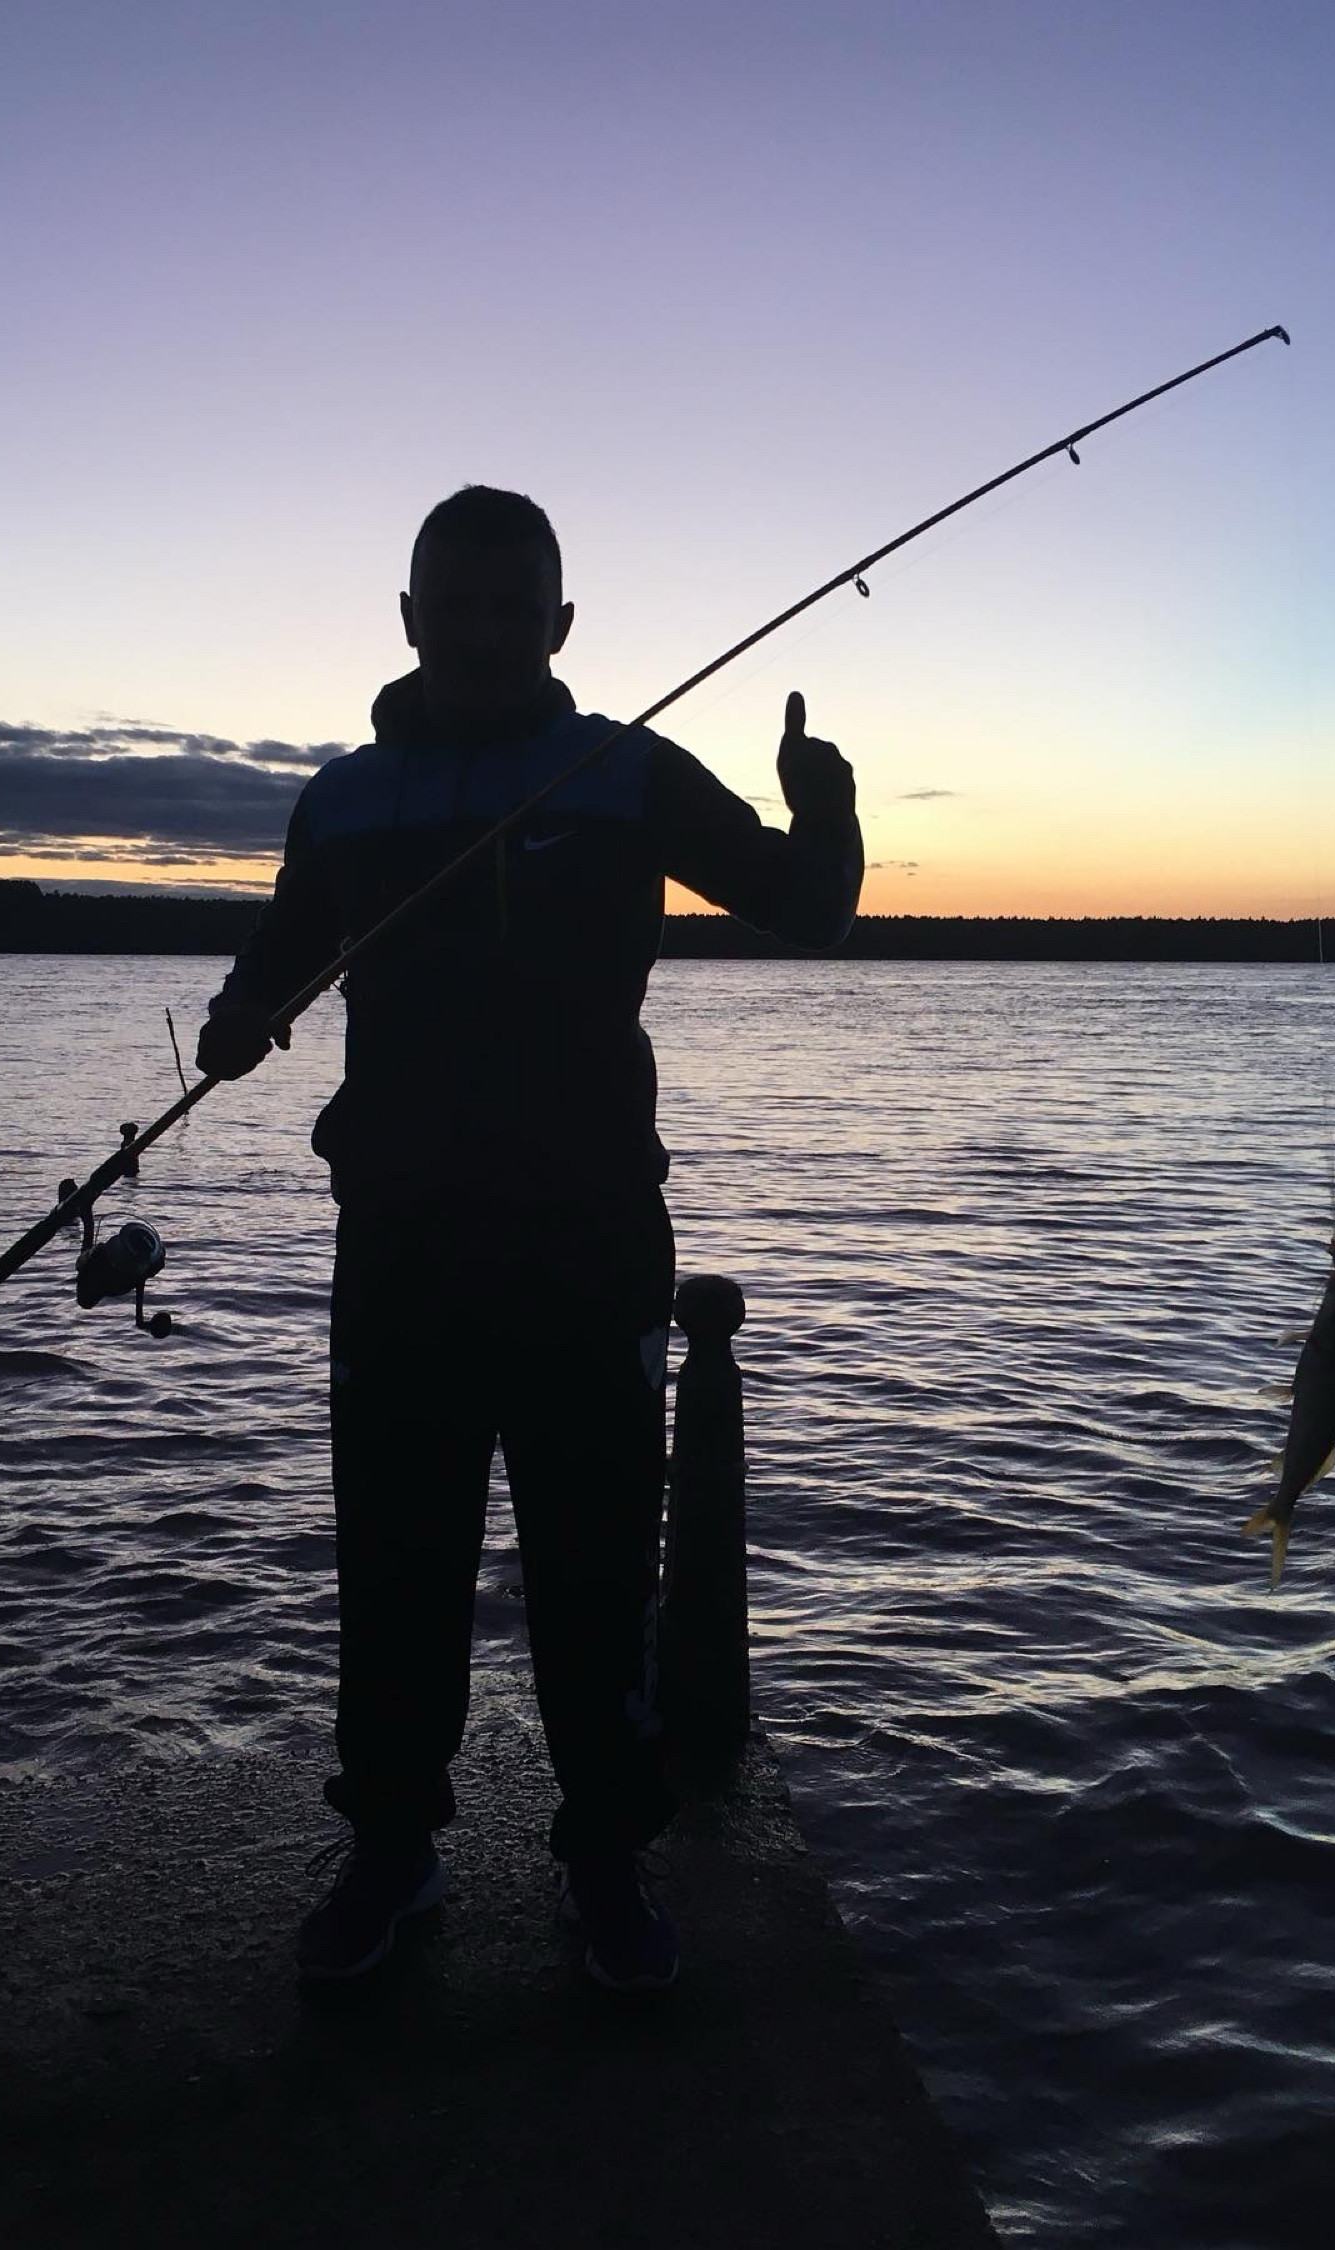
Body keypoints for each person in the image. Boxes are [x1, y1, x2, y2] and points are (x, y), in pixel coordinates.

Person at [197, 485, 862, 1991]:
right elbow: (279, 959)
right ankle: (392, 1848)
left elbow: (804, 908)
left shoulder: (627, 773)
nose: (485, 634)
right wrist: (237, 1023)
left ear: (560, 625)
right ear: (411, 618)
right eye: (459, 607)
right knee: (396, 1566)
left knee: (598, 1567)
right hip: (401, 1249)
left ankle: (607, 1859)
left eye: (515, 609)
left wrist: (824, 808)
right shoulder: (341, 800)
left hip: (589, 1244)